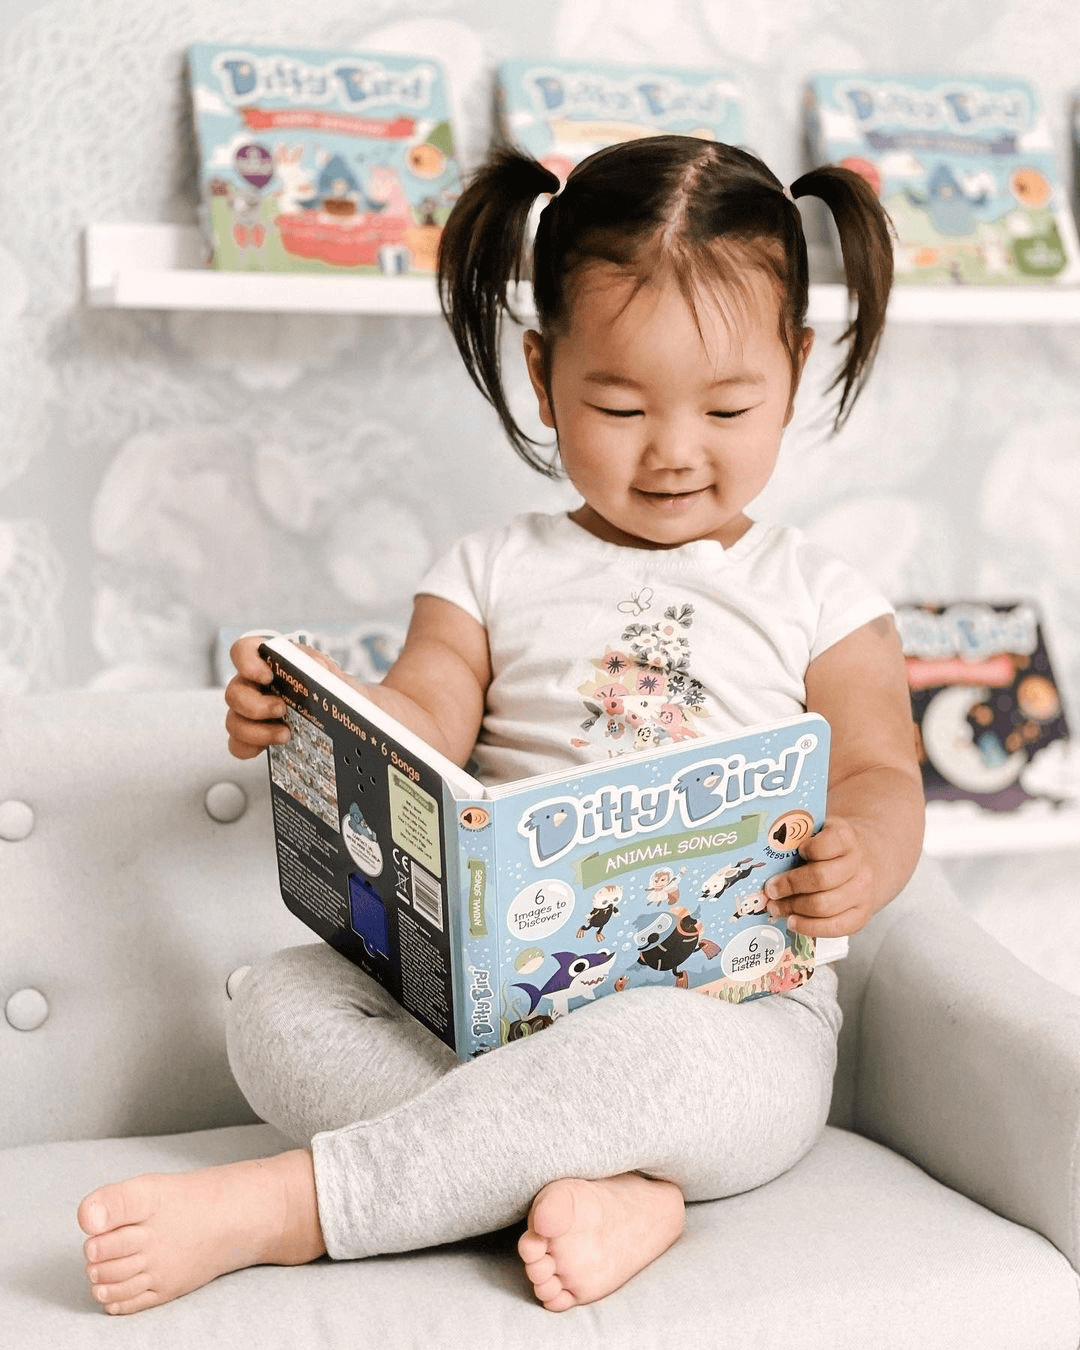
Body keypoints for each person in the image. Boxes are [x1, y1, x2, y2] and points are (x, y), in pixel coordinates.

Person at [77, 135, 924, 1317]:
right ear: (541, 374)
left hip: (729, 1020)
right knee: (274, 1008)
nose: (677, 449)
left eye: (730, 406)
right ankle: (606, 1188)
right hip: (496, 1009)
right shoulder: (487, 571)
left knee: (658, 1063)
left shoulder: (824, 598)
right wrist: (318, 704)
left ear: (794, 364)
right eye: (619, 404)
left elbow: (884, 771)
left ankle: (304, 1206)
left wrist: (861, 858)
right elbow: (423, 714)